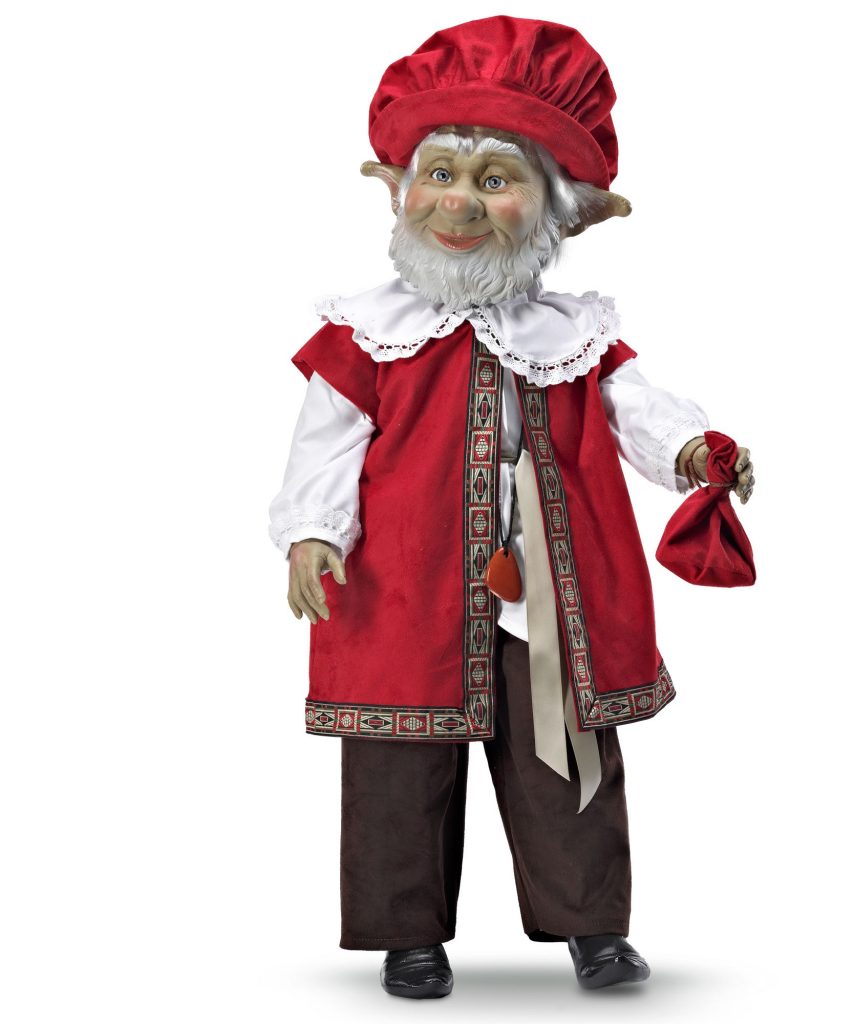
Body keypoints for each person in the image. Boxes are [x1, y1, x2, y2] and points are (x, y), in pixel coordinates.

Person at [268, 16, 755, 999]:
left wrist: (692, 450)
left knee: (566, 753)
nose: (459, 203)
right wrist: (312, 535)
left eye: (495, 181)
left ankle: (593, 928)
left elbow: (636, 410)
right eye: (441, 175)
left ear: (559, 213)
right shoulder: (366, 333)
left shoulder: (574, 333)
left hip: (544, 589)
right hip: (401, 583)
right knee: (397, 766)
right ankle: (408, 937)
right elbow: (326, 442)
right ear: (399, 190)